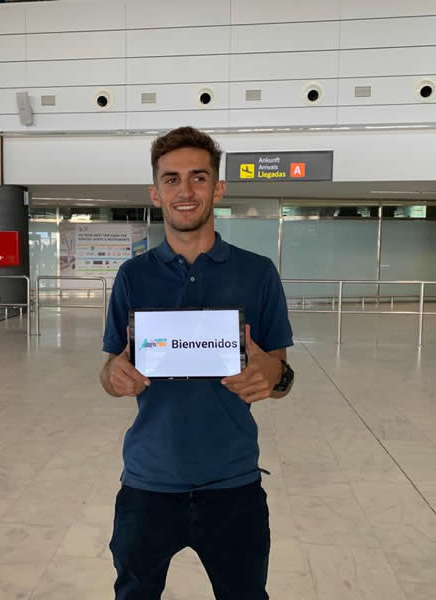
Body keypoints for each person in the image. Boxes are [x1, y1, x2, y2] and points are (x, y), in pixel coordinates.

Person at [100, 126, 295, 600]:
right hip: (147, 485)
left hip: (233, 484)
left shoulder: (258, 272)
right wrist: (114, 377)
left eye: (198, 178)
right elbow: (109, 370)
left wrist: (272, 376)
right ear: (155, 192)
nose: (184, 191)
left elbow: (283, 376)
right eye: (171, 180)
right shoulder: (133, 275)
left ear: (218, 188)